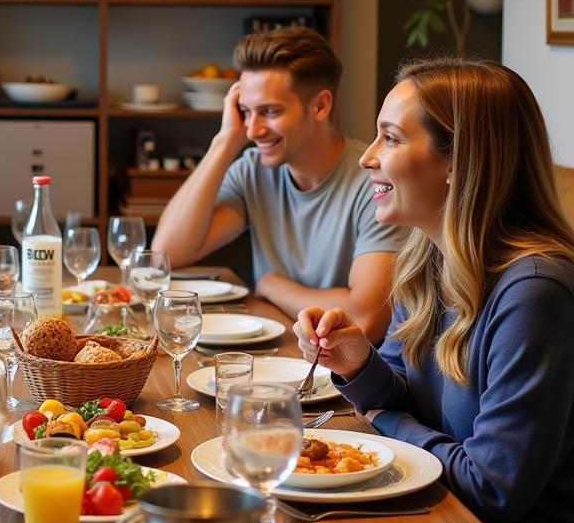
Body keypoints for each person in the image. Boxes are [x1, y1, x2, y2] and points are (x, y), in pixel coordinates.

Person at [294, 56, 574, 523]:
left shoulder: (535, 293)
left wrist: (386, 419)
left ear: (458, 161)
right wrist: (358, 365)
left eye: (390, 139)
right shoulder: (428, 260)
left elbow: (491, 489)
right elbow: (405, 395)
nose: (367, 158)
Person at [153, 27, 405, 342]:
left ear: (320, 106)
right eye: (245, 111)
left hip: (343, 377)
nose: (253, 130)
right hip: (281, 353)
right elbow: (166, 254)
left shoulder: (375, 183)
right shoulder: (253, 172)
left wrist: (273, 285)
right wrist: (224, 142)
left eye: (270, 111)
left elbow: (366, 319)